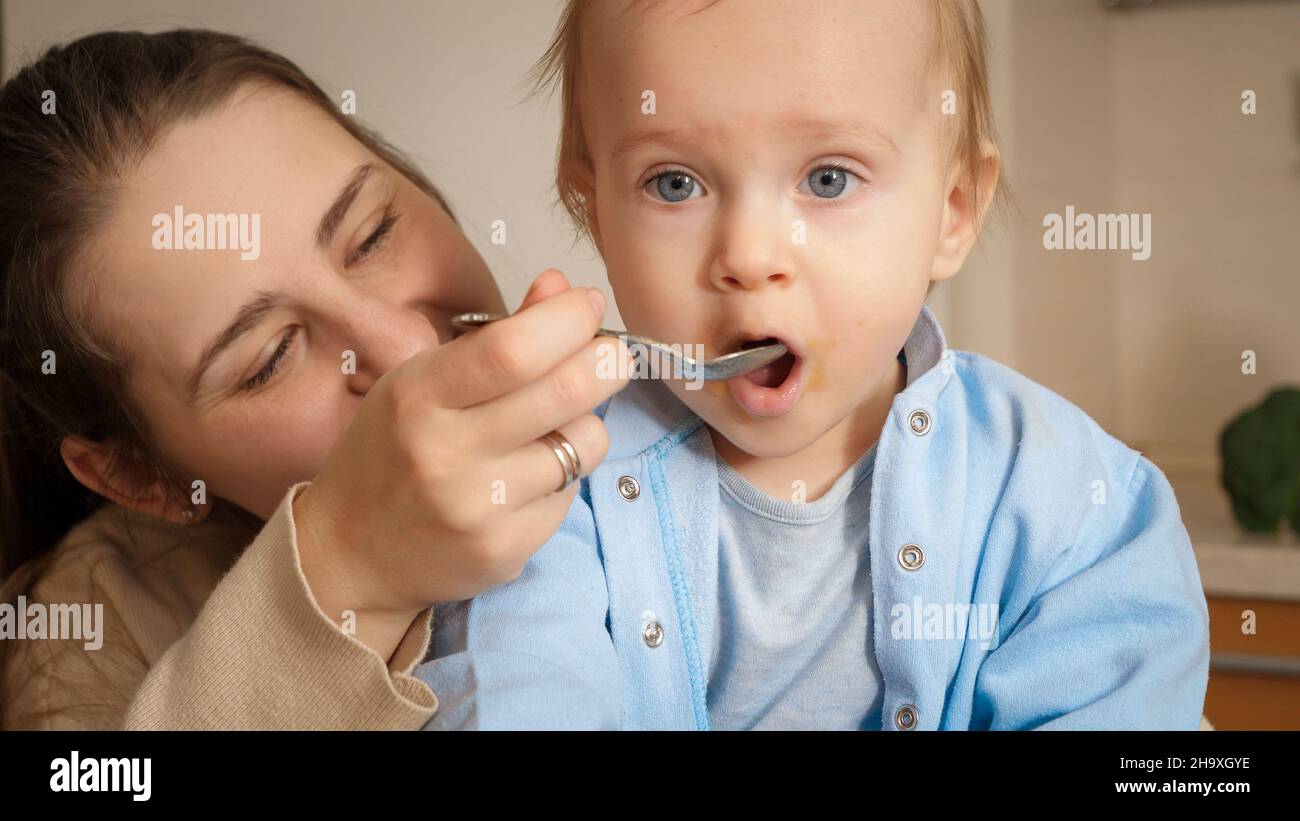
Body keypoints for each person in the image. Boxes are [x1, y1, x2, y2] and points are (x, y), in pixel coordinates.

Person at [419, 0, 1211, 730]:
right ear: (595, 210)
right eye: (674, 182)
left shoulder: (1076, 508)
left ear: (952, 211)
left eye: (827, 179)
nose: (749, 256)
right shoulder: (546, 493)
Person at [0, 29, 629, 729]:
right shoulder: (77, 650)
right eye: (269, 359)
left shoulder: (678, 404)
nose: (408, 346)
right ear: (140, 477)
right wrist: (352, 576)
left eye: (372, 235)